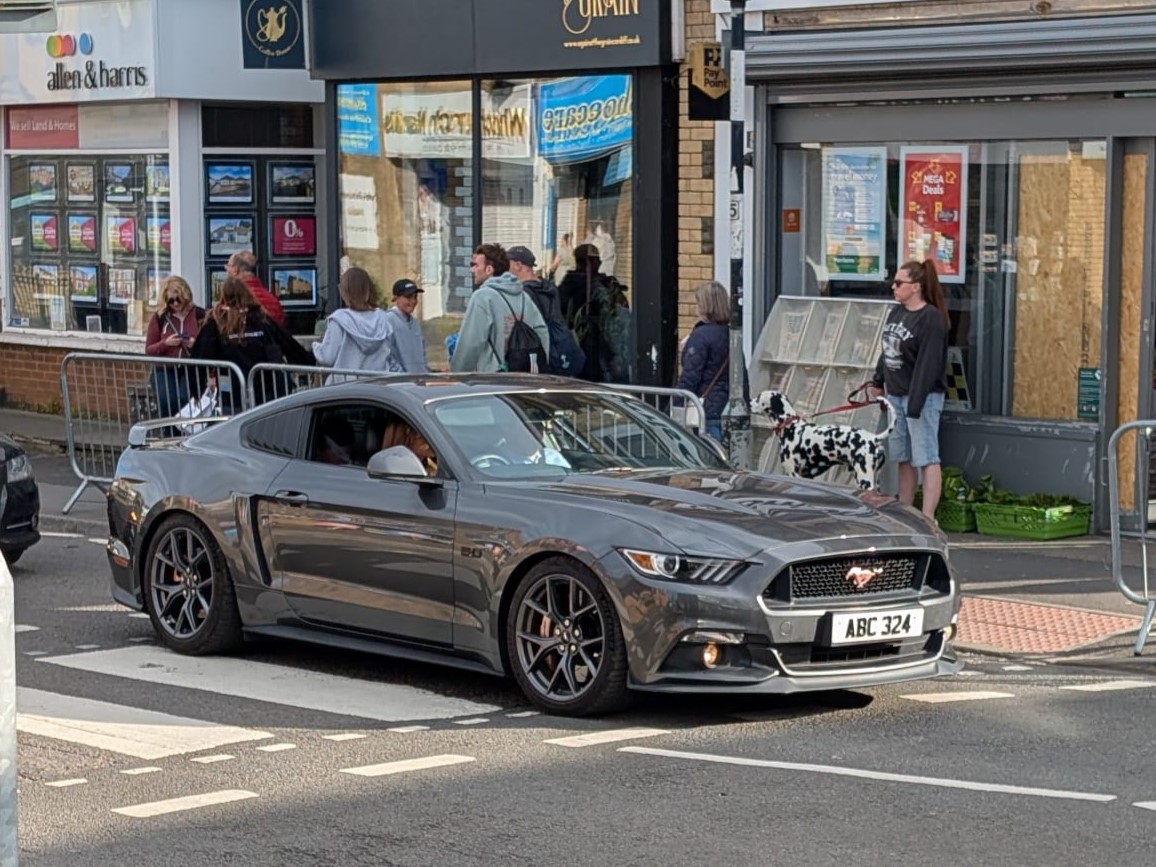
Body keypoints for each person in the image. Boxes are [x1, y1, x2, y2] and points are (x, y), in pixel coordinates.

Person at [868, 259, 950, 523]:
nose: (894, 287)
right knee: (902, 455)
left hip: (921, 397)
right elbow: (887, 349)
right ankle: (905, 509)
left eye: (899, 283)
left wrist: (915, 403)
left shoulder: (931, 319)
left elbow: (928, 365)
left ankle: (927, 514)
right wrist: (878, 380)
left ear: (915, 287)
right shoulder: (896, 313)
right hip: (896, 394)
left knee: (926, 455)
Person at [192, 276, 314, 411]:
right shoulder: (261, 319)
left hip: (233, 393)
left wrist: (196, 390)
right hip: (265, 389)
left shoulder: (216, 322)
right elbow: (287, 343)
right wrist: (310, 360)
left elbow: (201, 356)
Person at [450, 243, 550, 374]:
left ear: (489, 269)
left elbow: (470, 343)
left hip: (495, 380)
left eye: (475, 265)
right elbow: (542, 333)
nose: (472, 270)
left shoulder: (482, 297)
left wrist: (456, 375)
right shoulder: (524, 296)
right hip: (525, 377)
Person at [509, 245, 585, 377]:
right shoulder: (549, 287)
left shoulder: (524, 293)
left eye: (507, 265)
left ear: (518, 265)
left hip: (545, 356)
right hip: (561, 348)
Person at [312, 267, 395, 384]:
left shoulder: (339, 320)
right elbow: (391, 355)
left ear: (345, 291)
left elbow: (327, 358)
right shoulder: (383, 319)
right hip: (378, 389)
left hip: (345, 389)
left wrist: (315, 346)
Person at [677, 281, 733, 443]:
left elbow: (690, 377)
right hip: (725, 406)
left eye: (698, 302)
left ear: (704, 305)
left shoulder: (701, 336)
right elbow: (740, 375)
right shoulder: (732, 334)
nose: (696, 307)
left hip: (703, 407)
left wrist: (676, 405)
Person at [144, 275, 204, 417]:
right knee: (167, 401)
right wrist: (165, 344)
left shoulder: (200, 315)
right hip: (165, 368)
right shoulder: (160, 317)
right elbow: (149, 349)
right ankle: (169, 433)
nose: (175, 304)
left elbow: (209, 345)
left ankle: (184, 433)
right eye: (171, 301)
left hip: (189, 367)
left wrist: (194, 344)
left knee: (186, 400)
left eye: (179, 299)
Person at [558, 243, 612, 382]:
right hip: (580, 337)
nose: (599, 262)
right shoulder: (572, 284)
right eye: (596, 259)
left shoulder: (603, 283)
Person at [383, 278, 429, 373]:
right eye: (408, 297)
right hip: (401, 383)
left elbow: (422, 354)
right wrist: (401, 376)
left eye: (415, 297)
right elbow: (387, 355)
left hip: (419, 382)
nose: (413, 301)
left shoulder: (415, 323)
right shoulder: (388, 320)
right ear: (396, 298)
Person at [226, 250, 284, 325]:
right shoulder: (271, 299)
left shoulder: (232, 299)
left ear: (235, 270)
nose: (226, 271)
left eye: (228, 266)